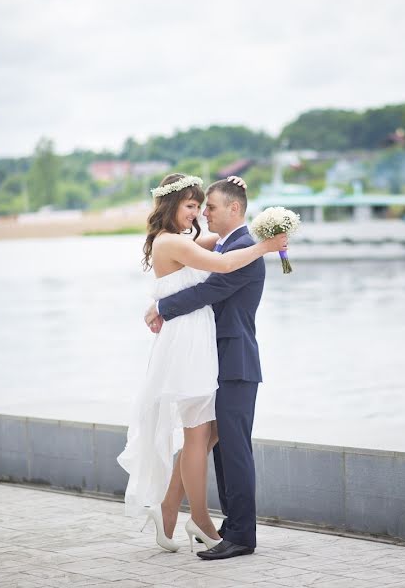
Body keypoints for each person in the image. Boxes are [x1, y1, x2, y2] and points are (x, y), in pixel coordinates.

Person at [117, 173, 286, 555]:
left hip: (230, 358)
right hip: (201, 351)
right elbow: (213, 267)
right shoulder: (211, 243)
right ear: (172, 205)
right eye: (194, 206)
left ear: (234, 209)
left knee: (219, 443)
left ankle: (226, 530)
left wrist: (162, 306)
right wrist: (263, 243)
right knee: (205, 439)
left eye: (206, 206)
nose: (201, 214)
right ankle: (196, 519)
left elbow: (212, 282)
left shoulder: (235, 244)